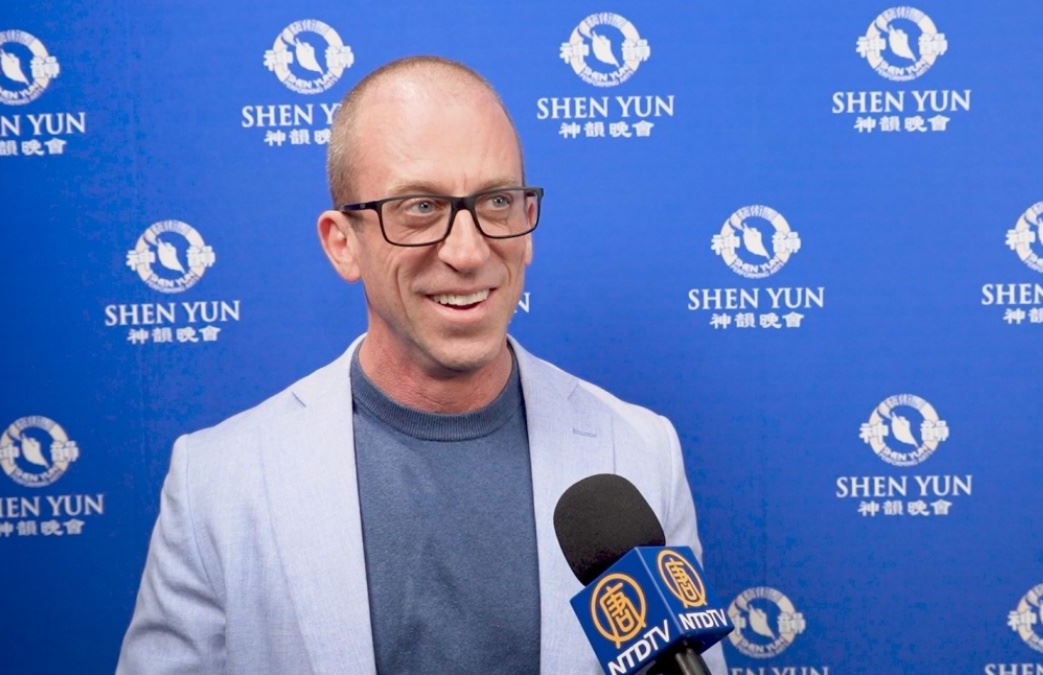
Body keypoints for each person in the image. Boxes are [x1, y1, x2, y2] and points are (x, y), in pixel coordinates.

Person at [118, 56, 726, 674]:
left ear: (527, 224)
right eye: (419, 208)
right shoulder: (218, 483)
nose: (468, 251)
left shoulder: (640, 451)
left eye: (497, 201)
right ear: (342, 243)